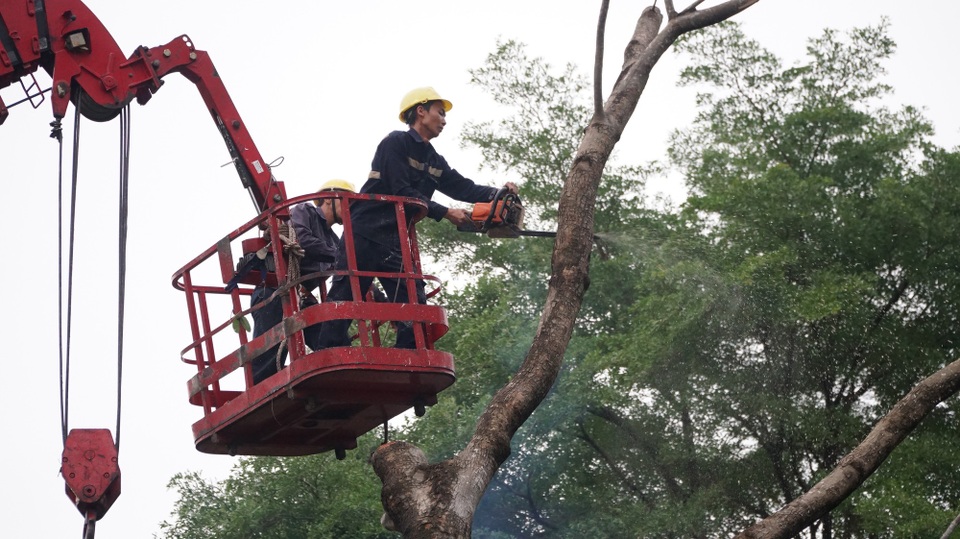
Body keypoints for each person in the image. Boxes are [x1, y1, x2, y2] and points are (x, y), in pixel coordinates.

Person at [315, 86, 517, 350]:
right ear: (420, 111)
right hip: (363, 232)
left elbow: (462, 187)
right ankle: (326, 356)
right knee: (345, 296)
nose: (444, 120)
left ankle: (409, 360)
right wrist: (446, 212)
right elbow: (402, 191)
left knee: (413, 301)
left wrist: (498, 193)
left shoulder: (434, 159)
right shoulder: (395, 143)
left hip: (394, 238)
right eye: (440, 113)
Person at [248, 179, 356, 384]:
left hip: (300, 297)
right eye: (347, 202)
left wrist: (380, 298)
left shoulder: (333, 240)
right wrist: (340, 255)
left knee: (337, 343)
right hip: (273, 292)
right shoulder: (304, 211)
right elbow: (302, 240)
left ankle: (338, 384)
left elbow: (350, 272)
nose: (351, 209)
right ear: (328, 198)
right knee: (269, 357)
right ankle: (265, 393)